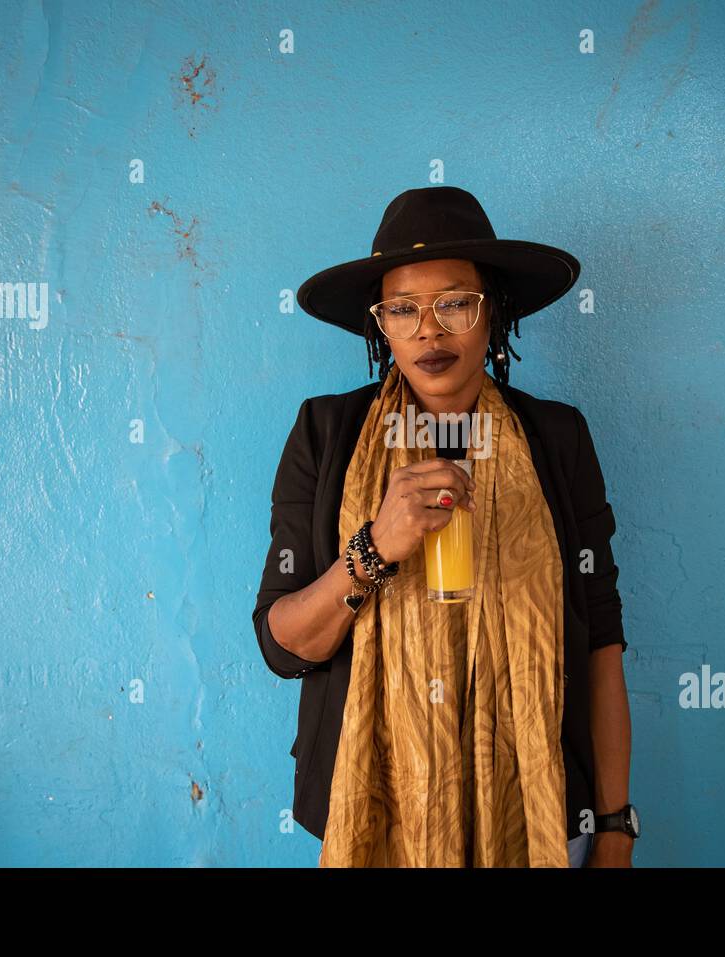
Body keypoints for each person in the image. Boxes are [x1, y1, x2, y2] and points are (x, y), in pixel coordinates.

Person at [253, 186, 639, 867]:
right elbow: (283, 645)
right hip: (374, 815)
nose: (429, 330)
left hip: (542, 814)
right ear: (381, 330)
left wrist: (614, 825)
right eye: (402, 309)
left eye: (454, 303)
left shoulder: (557, 439)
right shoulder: (325, 434)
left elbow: (601, 643)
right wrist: (371, 551)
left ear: (495, 315)